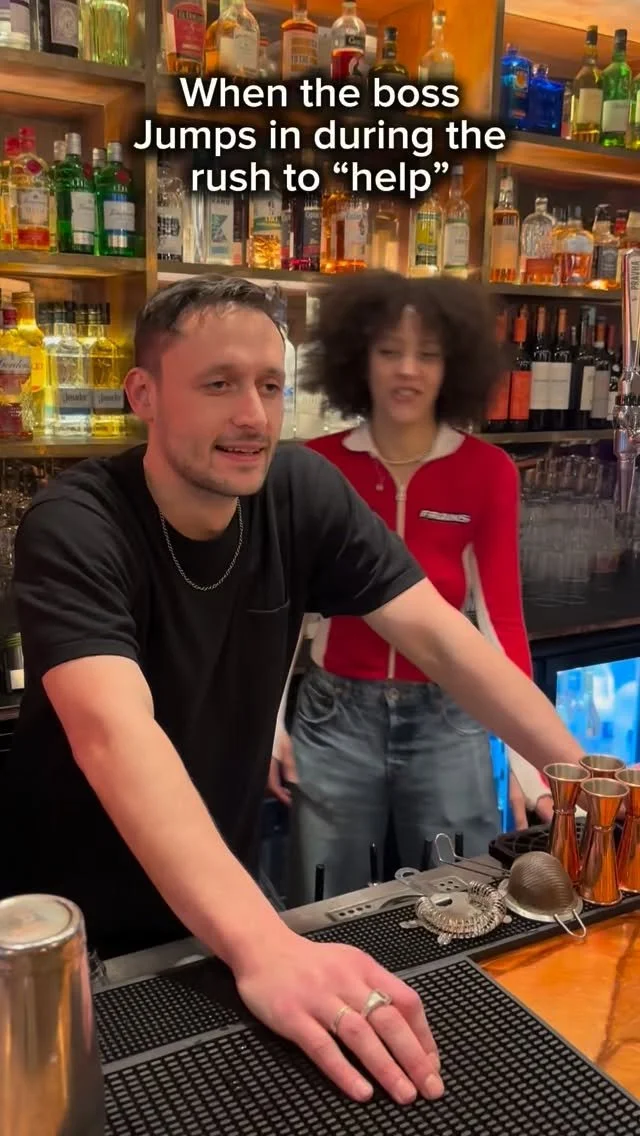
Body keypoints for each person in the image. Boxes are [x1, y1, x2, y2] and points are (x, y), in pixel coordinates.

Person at [0, 275, 584, 1110]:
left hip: (218, 897)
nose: (253, 415)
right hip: (66, 927)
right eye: (218, 384)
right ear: (144, 395)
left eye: (270, 386)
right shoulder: (76, 524)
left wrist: (589, 780)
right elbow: (113, 734)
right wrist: (266, 947)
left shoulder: (299, 491)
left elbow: (443, 639)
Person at [269, 272, 553, 906]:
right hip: (335, 720)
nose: (407, 370)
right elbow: (282, 608)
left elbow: (501, 622)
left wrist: (529, 762)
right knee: (327, 904)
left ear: (453, 367)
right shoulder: (315, 466)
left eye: (427, 354)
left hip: (449, 718)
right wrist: (268, 727)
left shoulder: (487, 472)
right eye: (389, 351)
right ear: (358, 359)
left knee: (465, 901)